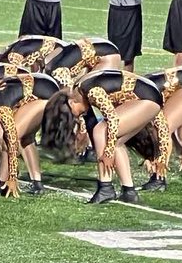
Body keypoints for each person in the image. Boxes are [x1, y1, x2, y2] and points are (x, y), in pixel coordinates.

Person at [41, 69, 170, 204]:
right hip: (147, 98)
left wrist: (107, 153)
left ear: (72, 102)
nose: (77, 117)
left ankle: (105, 187)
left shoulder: (92, 92)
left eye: (73, 114)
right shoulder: (82, 89)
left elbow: (112, 119)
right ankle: (129, 191)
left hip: (148, 99)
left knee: (101, 131)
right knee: (115, 141)